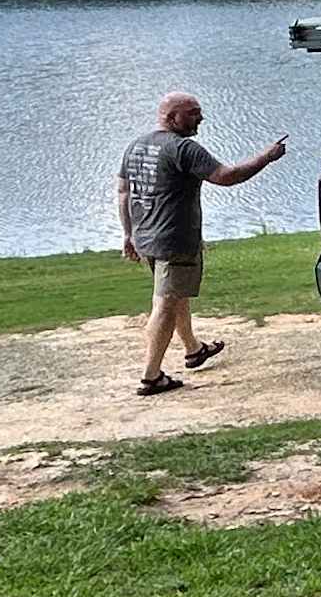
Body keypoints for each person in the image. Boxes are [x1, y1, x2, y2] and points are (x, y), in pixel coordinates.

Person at [119, 92, 286, 394]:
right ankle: (151, 376)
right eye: (193, 112)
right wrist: (267, 157)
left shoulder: (138, 145)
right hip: (174, 241)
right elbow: (226, 176)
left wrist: (129, 234)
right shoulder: (183, 148)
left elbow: (123, 191)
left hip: (147, 238)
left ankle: (193, 350)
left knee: (175, 295)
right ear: (172, 117)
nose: (201, 118)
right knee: (165, 305)